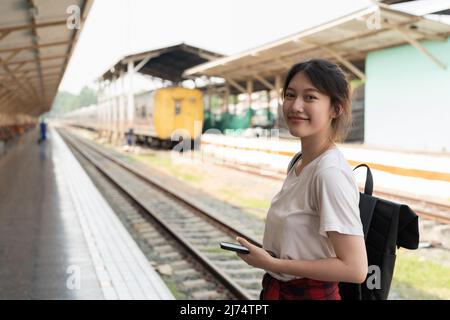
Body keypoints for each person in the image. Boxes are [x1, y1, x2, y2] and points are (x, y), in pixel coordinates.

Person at [236, 59, 368, 300]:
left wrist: (274, 264)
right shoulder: (300, 162)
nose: (295, 106)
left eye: (310, 97)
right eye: (290, 95)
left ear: (335, 108)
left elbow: (355, 268)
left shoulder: (329, 173)